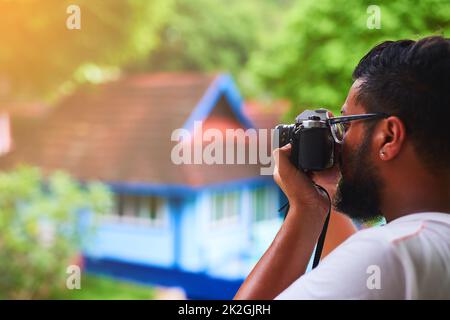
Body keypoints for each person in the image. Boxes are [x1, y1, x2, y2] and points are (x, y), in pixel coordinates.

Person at [234, 36, 450, 300]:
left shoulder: (390, 254)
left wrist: (305, 210)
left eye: (346, 125)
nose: (339, 142)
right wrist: (317, 200)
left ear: (389, 137)